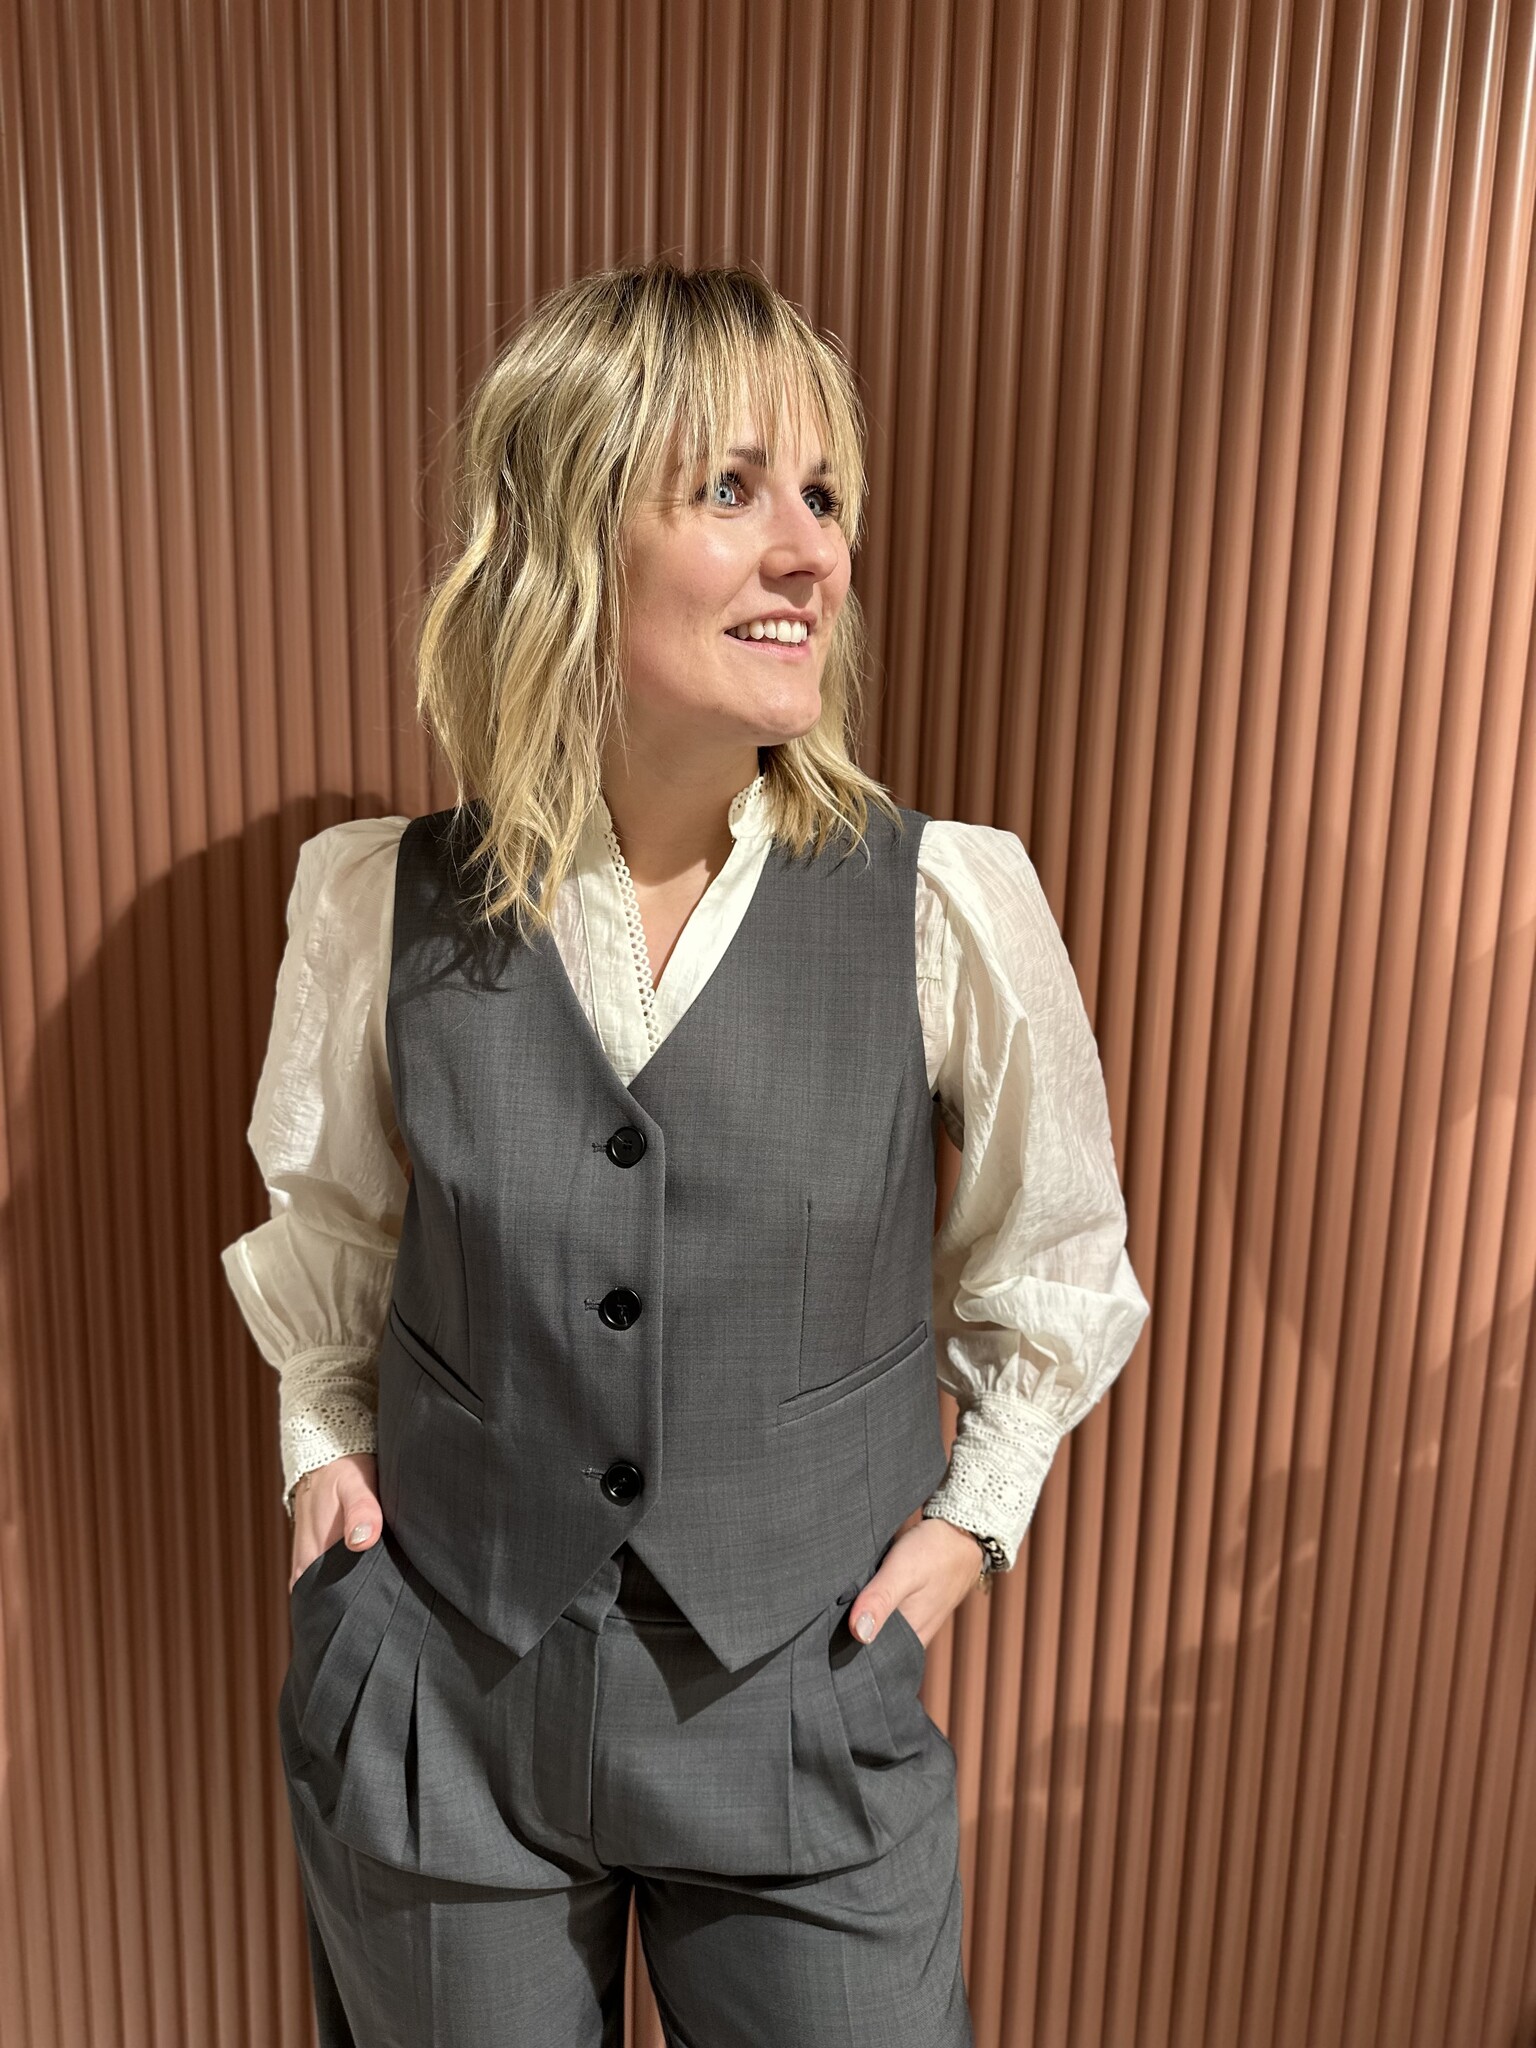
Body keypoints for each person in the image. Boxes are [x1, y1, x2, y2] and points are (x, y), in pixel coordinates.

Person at [220, 259, 1150, 2048]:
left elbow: (1054, 1262)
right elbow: (327, 1227)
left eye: (826, 497)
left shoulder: (944, 902)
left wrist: (973, 1527)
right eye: (733, 489)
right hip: (445, 1702)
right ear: (568, 538)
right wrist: (320, 1459)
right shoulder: (376, 898)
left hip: (800, 1698)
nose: (811, 553)